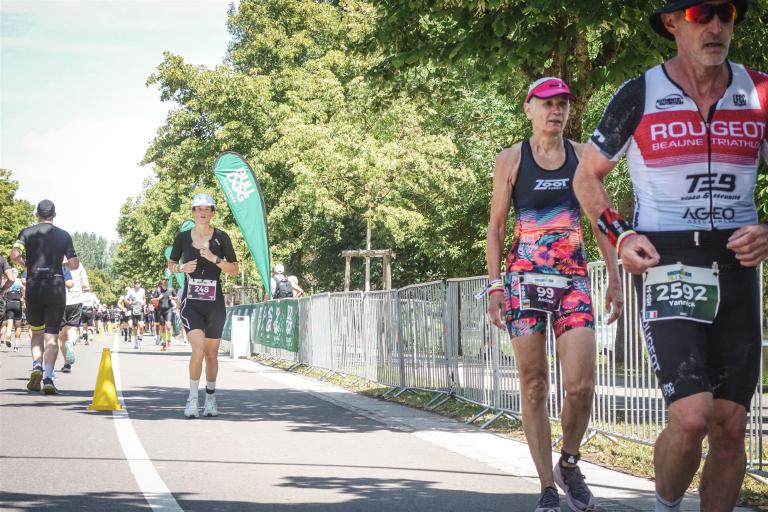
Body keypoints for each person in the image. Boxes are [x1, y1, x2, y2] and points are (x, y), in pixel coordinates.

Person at [573, 2, 766, 510]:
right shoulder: (640, 93)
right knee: (693, 416)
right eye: (702, 14)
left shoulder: (759, 92)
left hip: (738, 262)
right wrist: (620, 235)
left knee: (731, 426)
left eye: (726, 13)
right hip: (669, 261)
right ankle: (666, 504)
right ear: (672, 22)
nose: (716, 27)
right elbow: (587, 176)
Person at [486, 78, 622, 512]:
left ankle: (569, 462)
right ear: (529, 108)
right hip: (523, 282)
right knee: (534, 386)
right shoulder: (511, 159)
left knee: (581, 385)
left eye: (563, 103)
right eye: (547, 104)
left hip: (572, 281)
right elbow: (496, 226)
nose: (556, 111)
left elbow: (601, 218)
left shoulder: (582, 156)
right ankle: (546, 485)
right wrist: (494, 285)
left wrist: (614, 277)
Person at [169, 193, 238, 418]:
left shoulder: (221, 238)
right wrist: (181, 268)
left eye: (207, 209)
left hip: (214, 302)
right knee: (198, 348)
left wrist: (214, 258)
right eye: (199, 209)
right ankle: (192, 399)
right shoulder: (182, 238)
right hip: (191, 302)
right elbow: (171, 263)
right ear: (193, 212)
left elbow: (234, 269)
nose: (203, 212)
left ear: (212, 213)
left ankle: (210, 398)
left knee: (211, 354)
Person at [10, 200, 79, 395]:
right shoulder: (64, 235)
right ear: (54, 215)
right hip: (55, 286)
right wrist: (61, 264)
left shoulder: (26, 232)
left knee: (37, 332)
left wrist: (27, 265)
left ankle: (36, 367)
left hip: (34, 286)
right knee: (52, 335)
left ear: (36, 214)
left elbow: (14, 255)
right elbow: (74, 264)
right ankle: (48, 377)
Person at [58, 257, 88, 373]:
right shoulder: (79, 265)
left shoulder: (56, 264)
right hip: (76, 301)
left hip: (60, 301)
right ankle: (71, 343)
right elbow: (85, 284)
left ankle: (66, 364)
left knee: (61, 336)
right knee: (72, 331)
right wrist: (82, 289)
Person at [152, 277, 177, 351]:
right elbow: (152, 300)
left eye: (167, 280)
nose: (165, 281)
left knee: (168, 326)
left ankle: (169, 342)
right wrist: (158, 299)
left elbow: (176, 297)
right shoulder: (158, 290)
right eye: (164, 280)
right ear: (162, 281)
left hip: (169, 309)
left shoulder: (171, 289)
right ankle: (164, 343)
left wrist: (172, 298)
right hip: (160, 310)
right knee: (162, 327)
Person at [2, 268, 24, 351]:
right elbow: (24, 289)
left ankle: (8, 337)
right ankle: (16, 346)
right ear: (17, 274)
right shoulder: (20, 281)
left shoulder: (8, 281)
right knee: (18, 326)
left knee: (9, 324)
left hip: (9, 303)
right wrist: (23, 298)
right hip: (17, 303)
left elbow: (3, 291)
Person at [124, 280, 147, 349]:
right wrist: (129, 303)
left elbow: (144, 298)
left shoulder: (142, 290)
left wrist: (144, 303)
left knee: (141, 325)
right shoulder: (130, 291)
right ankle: (136, 342)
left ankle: (141, 341)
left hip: (140, 309)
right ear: (133, 284)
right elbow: (125, 299)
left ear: (140, 284)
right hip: (133, 309)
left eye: (138, 283)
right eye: (135, 283)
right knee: (135, 327)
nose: (137, 284)